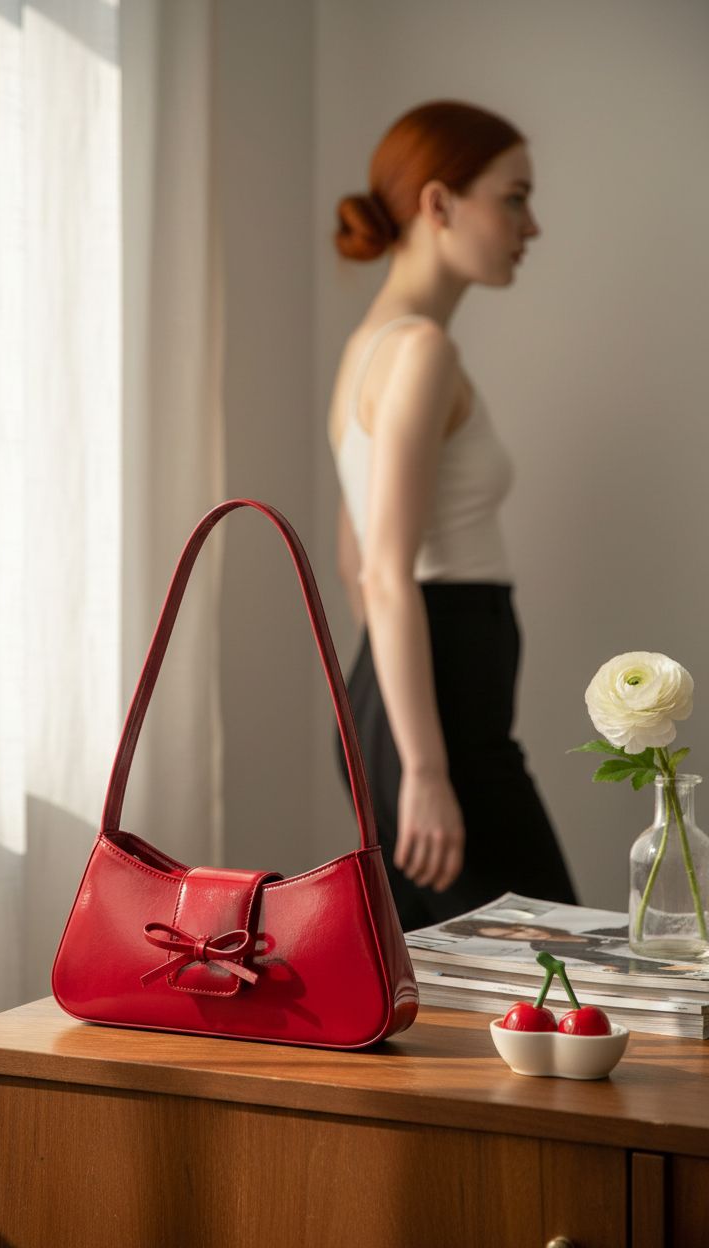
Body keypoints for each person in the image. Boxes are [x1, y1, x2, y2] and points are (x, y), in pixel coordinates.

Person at [327, 100, 577, 931]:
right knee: (560, 969)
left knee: (447, 985)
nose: (531, 225)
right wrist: (427, 769)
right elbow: (383, 574)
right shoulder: (421, 352)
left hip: (407, 704)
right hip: (441, 722)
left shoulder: (367, 348)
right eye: (514, 198)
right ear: (439, 203)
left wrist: (395, 732)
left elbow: (354, 559)